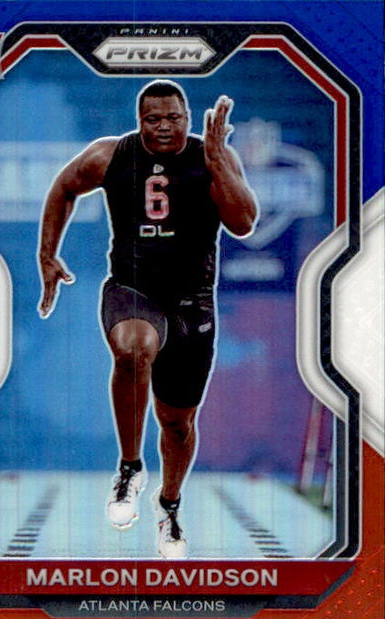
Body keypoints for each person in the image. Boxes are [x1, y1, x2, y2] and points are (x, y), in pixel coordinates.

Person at [37, 80, 258, 558]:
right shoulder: (111, 154)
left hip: (193, 303)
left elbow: (243, 223)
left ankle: (169, 506)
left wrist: (218, 161)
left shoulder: (213, 156)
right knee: (134, 349)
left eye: (172, 118)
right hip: (132, 289)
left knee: (177, 423)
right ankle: (130, 468)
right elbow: (64, 187)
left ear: (187, 118)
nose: (163, 127)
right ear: (139, 121)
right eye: (153, 119)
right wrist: (47, 253)